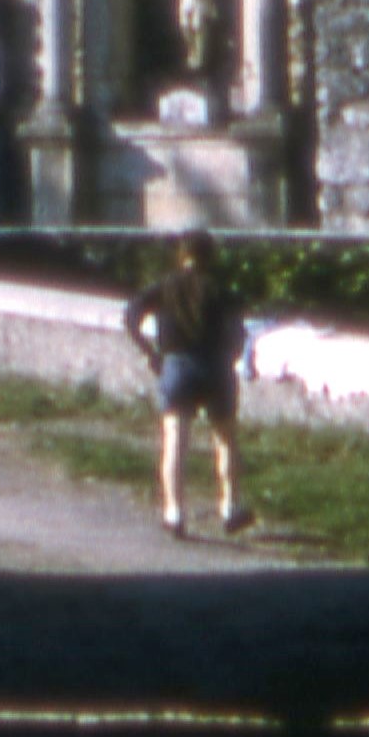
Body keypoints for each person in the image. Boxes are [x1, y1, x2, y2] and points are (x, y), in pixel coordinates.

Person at [125, 231, 253, 539]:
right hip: (216, 365)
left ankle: (175, 513)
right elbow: (239, 330)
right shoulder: (220, 289)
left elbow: (131, 315)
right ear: (211, 256)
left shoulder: (165, 287)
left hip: (177, 366)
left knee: (175, 441)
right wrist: (231, 355)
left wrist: (150, 351)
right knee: (225, 438)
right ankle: (230, 507)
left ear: (182, 255)